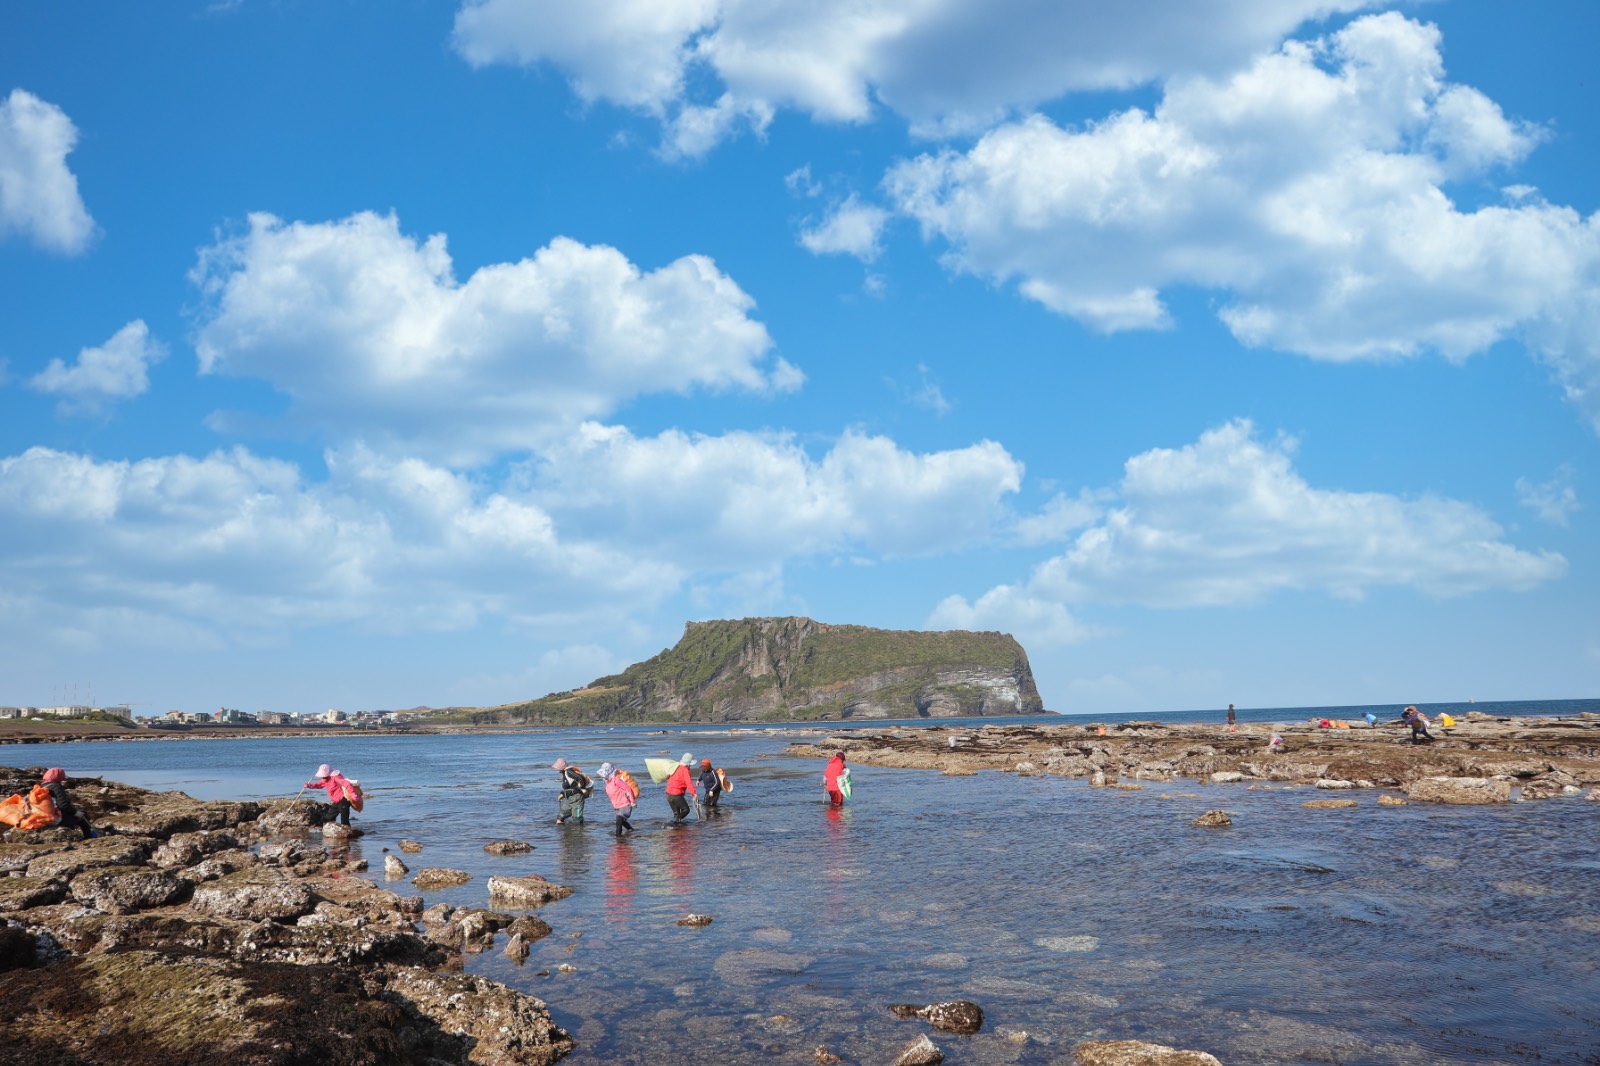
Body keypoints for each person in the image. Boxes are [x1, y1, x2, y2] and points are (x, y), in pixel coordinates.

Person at [41, 768, 94, 838]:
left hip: (41, 817)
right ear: (58, 776)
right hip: (55, 819)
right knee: (82, 816)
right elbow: (63, 805)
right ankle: (89, 837)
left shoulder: (41, 787)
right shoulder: (56, 787)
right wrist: (75, 812)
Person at [598, 762, 636, 837]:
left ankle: (618, 839)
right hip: (618, 806)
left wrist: (632, 801)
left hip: (625, 805)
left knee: (618, 821)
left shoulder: (616, 780)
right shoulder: (607, 783)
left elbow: (628, 789)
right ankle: (631, 830)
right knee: (622, 822)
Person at [552, 758, 591, 825]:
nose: (557, 769)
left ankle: (578, 833)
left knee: (577, 818)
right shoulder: (564, 773)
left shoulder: (569, 772)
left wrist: (580, 788)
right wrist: (563, 794)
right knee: (561, 816)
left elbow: (580, 779)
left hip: (577, 798)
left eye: (558, 767)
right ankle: (562, 831)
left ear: (561, 767)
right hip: (569, 798)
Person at [665, 753, 698, 822]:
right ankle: (674, 824)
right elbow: (689, 783)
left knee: (677, 813)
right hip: (676, 794)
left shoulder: (676, 767)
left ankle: (675, 829)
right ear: (688, 763)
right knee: (686, 810)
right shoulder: (685, 770)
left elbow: (669, 777)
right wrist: (694, 794)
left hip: (668, 794)